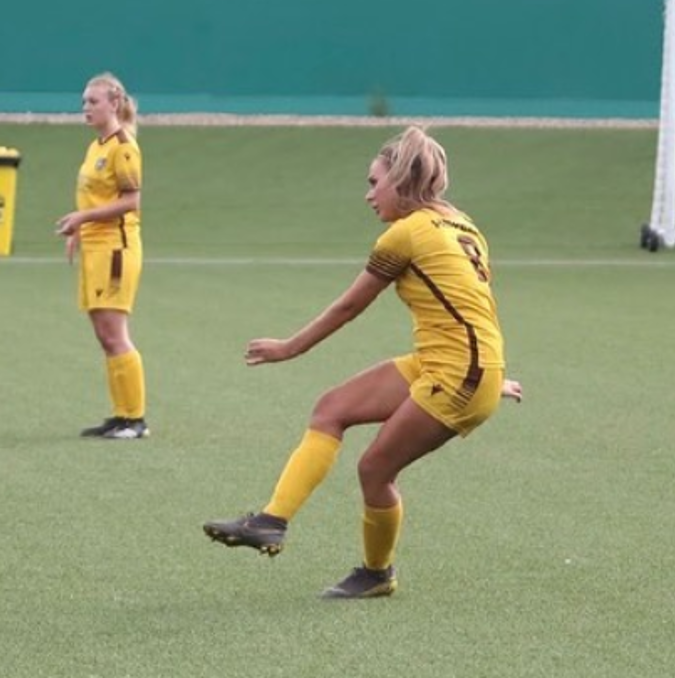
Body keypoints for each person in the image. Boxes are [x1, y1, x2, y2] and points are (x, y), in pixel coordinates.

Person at [203, 125, 522, 599]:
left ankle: (377, 574)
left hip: (458, 373)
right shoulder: (462, 224)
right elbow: (476, 305)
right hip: (456, 365)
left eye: (375, 182)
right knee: (331, 408)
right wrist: (490, 375)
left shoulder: (404, 235)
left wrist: (289, 347)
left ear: (401, 182)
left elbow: (349, 307)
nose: (368, 194)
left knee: (375, 469)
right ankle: (271, 521)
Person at [56, 72, 151, 440]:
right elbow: (97, 197)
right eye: (83, 102)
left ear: (114, 103)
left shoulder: (123, 146)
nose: (86, 109)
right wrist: (79, 230)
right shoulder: (97, 146)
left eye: (93, 102)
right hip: (97, 247)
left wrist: (82, 218)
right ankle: (121, 415)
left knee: (115, 333)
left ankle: (135, 419)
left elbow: (131, 201)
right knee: (103, 333)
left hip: (116, 249)